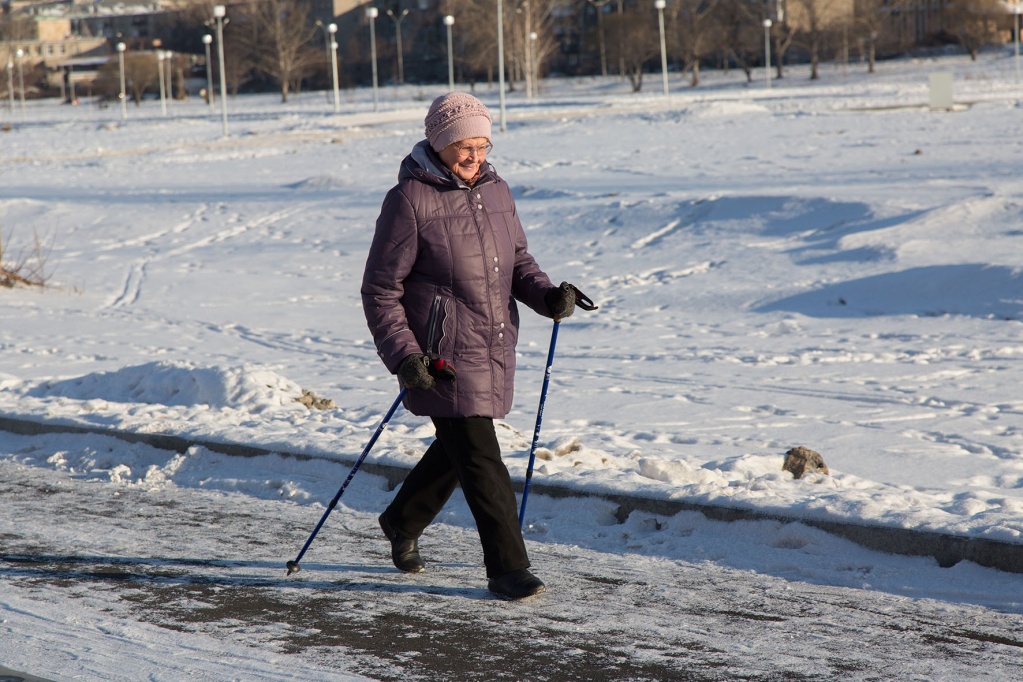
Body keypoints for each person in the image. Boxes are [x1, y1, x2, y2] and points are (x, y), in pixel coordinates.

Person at [361, 92, 589, 600]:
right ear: (440, 144)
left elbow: (519, 262)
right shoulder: (408, 201)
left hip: (492, 343)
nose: (475, 156)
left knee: (461, 446)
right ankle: (508, 568)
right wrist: (404, 355)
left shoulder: (498, 191)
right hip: (437, 356)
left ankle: (402, 518)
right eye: (465, 146)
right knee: (482, 457)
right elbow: (381, 289)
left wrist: (547, 295)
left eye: (482, 145)